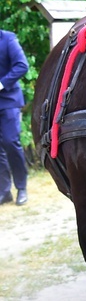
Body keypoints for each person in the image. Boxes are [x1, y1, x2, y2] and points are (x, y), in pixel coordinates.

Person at [0, 29, 29, 206]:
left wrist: (1, 84)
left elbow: (22, 65)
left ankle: (21, 188)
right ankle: (4, 191)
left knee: (11, 142)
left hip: (9, 100)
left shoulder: (8, 38)